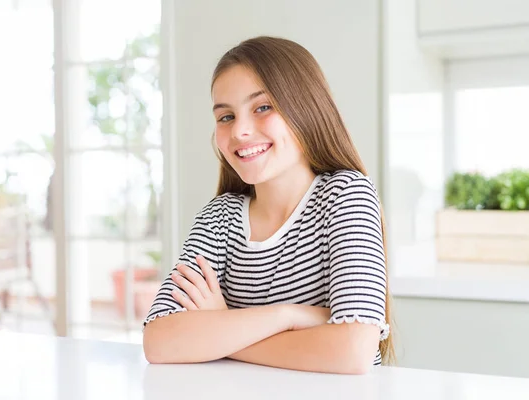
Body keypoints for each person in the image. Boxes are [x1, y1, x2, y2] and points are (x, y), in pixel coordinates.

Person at [142, 36, 393, 374]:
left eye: (262, 107)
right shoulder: (219, 218)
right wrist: (288, 316)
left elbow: (352, 351)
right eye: (226, 116)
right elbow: (160, 341)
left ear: (306, 108)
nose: (240, 131)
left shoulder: (345, 195)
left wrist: (223, 328)